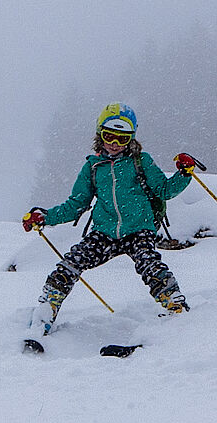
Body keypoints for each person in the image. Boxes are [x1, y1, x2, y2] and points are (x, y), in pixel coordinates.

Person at [22, 102, 199, 336]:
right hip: (104, 233)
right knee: (70, 264)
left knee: (150, 265)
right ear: (100, 135)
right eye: (109, 136)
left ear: (131, 139)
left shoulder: (140, 161)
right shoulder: (93, 167)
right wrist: (46, 218)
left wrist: (184, 174)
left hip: (139, 230)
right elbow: (77, 204)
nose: (114, 144)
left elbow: (164, 190)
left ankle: (176, 307)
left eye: (122, 138)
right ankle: (46, 312)